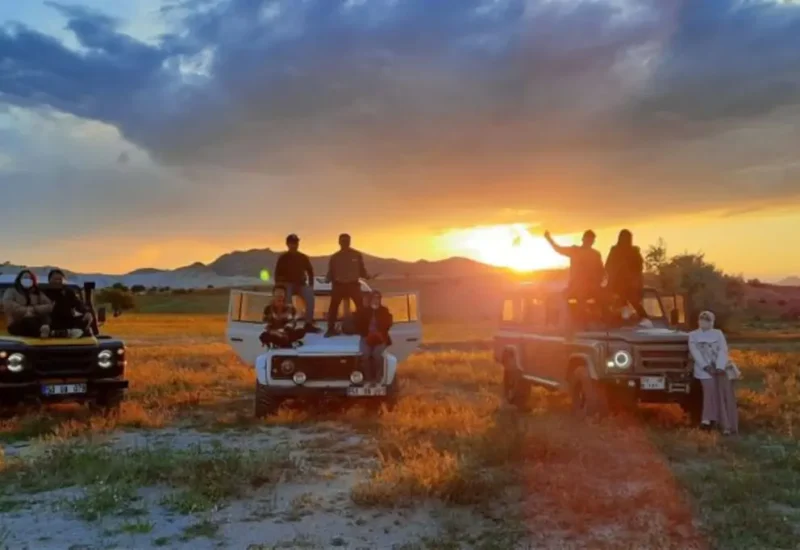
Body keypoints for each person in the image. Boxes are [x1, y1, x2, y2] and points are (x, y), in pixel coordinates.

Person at [688, 311, 739, 435]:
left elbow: (723, 350)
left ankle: (724, 421)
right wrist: (706, 366)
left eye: (707, 319)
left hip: (720, 369)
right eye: (701, 319)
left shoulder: (718, 333)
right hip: (704, 370)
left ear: (712, 321)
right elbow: (695, 352)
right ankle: (707, 419)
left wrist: (719, 366)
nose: (704, 322)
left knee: (722, 394)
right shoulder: (693, 335)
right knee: (709, 392)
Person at [324, 233, 369, 337]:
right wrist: (327, 279)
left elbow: (362, 270)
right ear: (339, 242)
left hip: (353, 285)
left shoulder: (357, 255)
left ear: (350, 241)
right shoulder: (334, 257)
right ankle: (330, 329)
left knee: (360, 307)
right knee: (333, 308)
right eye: (343, 241)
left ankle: (363, 328)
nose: (345, 242)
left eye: (347, 240)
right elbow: (331, 272)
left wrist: (367, 275)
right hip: (338, 286)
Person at [274, 234, 319, 332]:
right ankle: (289, 324)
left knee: (310, 297)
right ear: (287, 244)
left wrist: (311, 285)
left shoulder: (302, 257)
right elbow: (277, 274)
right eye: (292, 243)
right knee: (288, 302)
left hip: (301, 284)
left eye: (296, 243)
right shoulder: (283, 258)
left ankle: (308, 323)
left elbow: (310, 271)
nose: (294, 245)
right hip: (287, 285)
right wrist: (278, 288)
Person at [544, 229, 604, 301]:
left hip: (590, 286)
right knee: (561, 298)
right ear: (583, 239)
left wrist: (597, 283)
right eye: (588, 239)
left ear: (593, 241)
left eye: (591, 240)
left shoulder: (595, 254)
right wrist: (549, 239)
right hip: (576, 286)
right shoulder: (575, 250)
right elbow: (558, 249)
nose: (589, 242)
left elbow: (601, 271)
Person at [605, 229, 647, 319]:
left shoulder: (634, 252)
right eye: (624, 238)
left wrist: (637, 283)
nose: (626, 241)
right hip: (617, 285)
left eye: (628, 239)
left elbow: (639, 268)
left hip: (631, 285)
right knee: (618, 305)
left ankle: (643, 320)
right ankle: (616, 319)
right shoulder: (615, 251)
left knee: (634, 303)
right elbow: (608, 267)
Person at [353, 290, 393, 380]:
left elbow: (389, 323)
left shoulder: (384, 310)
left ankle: (378, 376)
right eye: (374, 298)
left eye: (378, 298)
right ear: (370, 299)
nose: (376, 300)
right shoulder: (363, 311)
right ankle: (368, 377)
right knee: (365, 355)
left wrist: (381, 332)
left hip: (380, 338)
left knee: (377, 355)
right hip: (366, 337)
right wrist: (365, 334)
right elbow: (357, 323)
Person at [2, 270, 54, 338]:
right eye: (25, 278)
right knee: (28, 321)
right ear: (19, 279)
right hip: (16, 323)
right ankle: (44, 332)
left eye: (30, 278)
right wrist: (26, 310)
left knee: (37, 321)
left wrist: (35, 309)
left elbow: (49, 306)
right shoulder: (11, 291)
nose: (27, 280)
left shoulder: (37, 293)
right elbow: (8, 306)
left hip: (36, 321)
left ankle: (45, 332)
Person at [44, 269, 92, 338]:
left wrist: (86, 311)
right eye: (55, 279)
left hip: (67, 321)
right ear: (49, 280)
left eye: (60, 279)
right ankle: (56, 333)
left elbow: (79, 304)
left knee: (86, 318)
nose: (57, 281)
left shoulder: (68, 292)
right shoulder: (43, 293)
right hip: (50, 322)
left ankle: (65, 332)